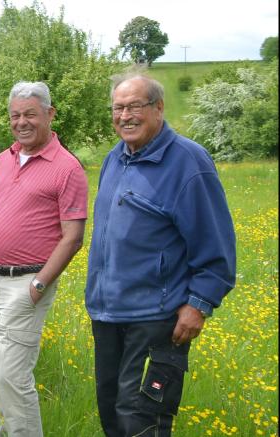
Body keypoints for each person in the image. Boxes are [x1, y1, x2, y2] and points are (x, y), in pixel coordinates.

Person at [86, 73, 236, 437]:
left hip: (155, 318)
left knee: (141, 420)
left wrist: (198, 304)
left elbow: (216, 243)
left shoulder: (188, 162)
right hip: (108, 314)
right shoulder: (115, 159)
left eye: (135, 106)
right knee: (110, 411)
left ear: (158, 108)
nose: (125, 116)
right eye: (118, 108)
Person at [0, 82, 87, 436]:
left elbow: (73, 236)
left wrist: (40, 284)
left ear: (49, 114)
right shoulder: (3, 159)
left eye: (30, 114)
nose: (22, 122)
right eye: (15, 115)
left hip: (26, 283)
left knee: (13, 376)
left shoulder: (67, 167)